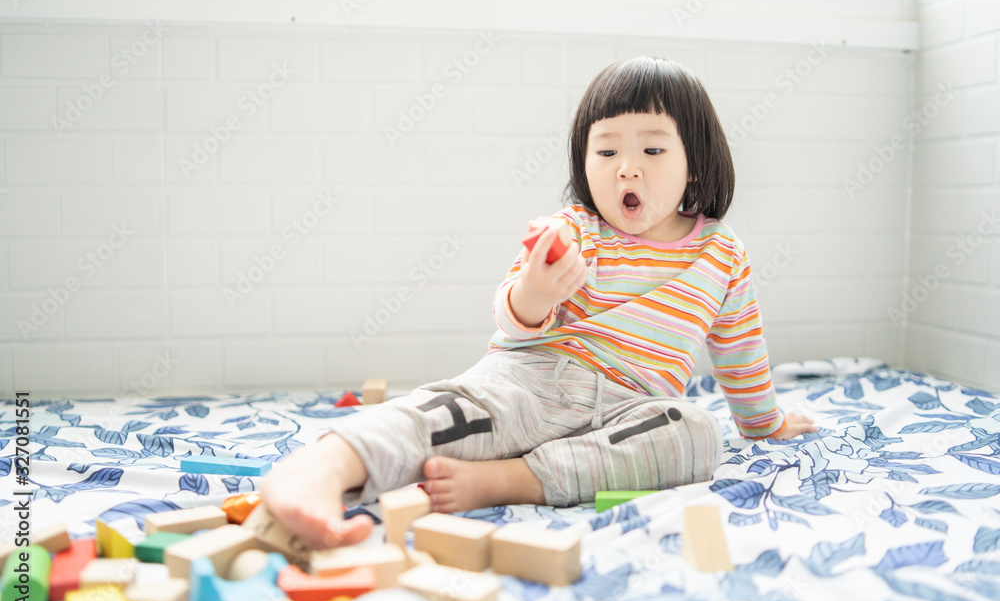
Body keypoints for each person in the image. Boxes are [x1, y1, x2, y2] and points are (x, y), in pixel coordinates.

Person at [260, 56, 817, 550]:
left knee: (695, 433)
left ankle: (515, 479)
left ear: (696, 161)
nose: (627, 166)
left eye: (652, 148)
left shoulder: (722, 253)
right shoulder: (575, 230)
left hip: (629, 412)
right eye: (606, 150)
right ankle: (322, 468)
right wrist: (536, 290)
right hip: (531, 381)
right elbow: (511, 318)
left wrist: (764, 425)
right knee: (442, 412)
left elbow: (740, 349)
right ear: (585, 162)